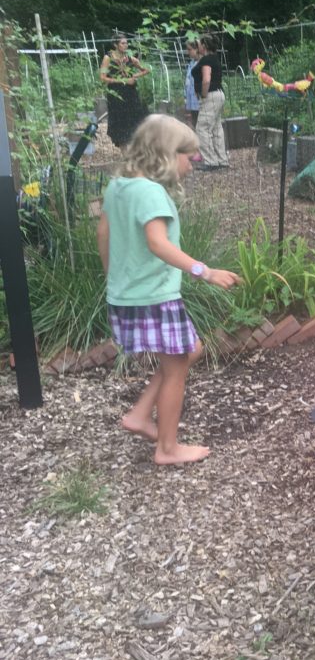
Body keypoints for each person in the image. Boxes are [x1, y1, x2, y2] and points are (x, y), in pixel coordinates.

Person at [97, 115, 241, 464]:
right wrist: (204, 271)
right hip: (155, 296)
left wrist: (113, 277)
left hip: (127, 293)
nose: (191, 166)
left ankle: (140, 414)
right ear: (166, 154)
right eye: (188, 158)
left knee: (190, 349)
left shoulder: (119, 186)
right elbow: (158, 244)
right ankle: (168, 448)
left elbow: (103, 233)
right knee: (178, 367)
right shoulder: (152, 193)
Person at [100, 35, 150, 148]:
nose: (125, 45)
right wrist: (123, 80)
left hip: (131, 94)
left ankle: (136, 148)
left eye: (126, 43)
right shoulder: (108, 58)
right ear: (115, 45)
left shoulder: (130, 58)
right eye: (122, 43)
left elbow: (146, 70)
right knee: (120, 122)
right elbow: (103, 78)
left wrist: (135, 75)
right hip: (116, 95)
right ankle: (125, 152)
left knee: (136, 118)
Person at [194, 34, 229, 170]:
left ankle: (210, 161)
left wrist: (203, 94)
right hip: (219, 94)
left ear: (204, 46)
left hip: (211, 95)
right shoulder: (214, 58)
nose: (198, 47)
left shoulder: (207, 60)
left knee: (202, 128)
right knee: (216, 128)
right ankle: (222, 160)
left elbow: (206, 79)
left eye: (200, 44)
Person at [183, 40, 201, 128]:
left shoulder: (202, 64)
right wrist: (186, 98)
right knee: (195, 125)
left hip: (200, 102)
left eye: (190, 49)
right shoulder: (191, 64)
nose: (188, 52)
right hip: (192, 102)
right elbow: (188, 83)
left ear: (197, 49)